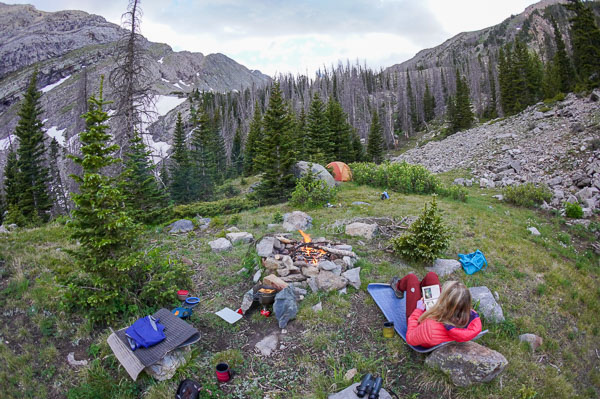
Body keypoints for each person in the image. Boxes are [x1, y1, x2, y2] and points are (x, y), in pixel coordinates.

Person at [392, 273, 482, 348]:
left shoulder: (429, 329)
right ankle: (417, 289)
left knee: (412, 279)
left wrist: (418, 310)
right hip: (440, 316)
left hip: (420, 322)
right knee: (431, 276)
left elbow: (410, 338)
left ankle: (398, 287)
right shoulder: (471, 317)